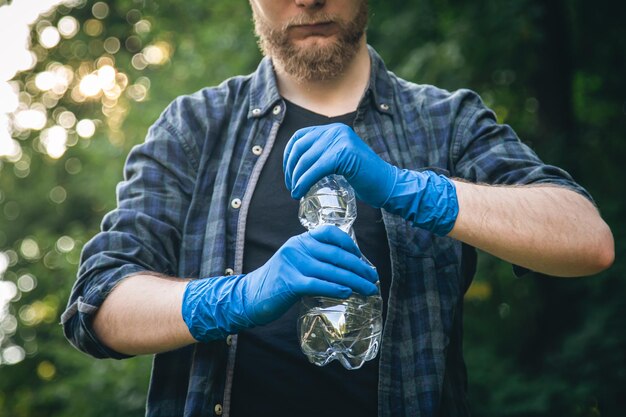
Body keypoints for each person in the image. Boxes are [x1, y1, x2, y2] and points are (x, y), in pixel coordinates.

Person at [61, 1, 614, 416]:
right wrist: (238, 297)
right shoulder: (195, 126)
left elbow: (587, 240)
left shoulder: (448, 122)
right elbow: (99, 306)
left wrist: (409, 189)